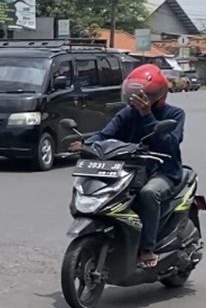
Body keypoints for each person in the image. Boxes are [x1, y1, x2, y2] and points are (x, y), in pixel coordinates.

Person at [70, 64, 184, 269]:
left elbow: (170, 144)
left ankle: (147, 247)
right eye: (134, 95)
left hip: (162, 171)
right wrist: (85, 145)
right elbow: (105, 135)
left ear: (158, 95)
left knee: (148, 194)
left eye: (143, 95)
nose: (137, 100)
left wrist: (147, 116)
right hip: (128, 170)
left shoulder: (174, 114)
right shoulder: (127, 114)